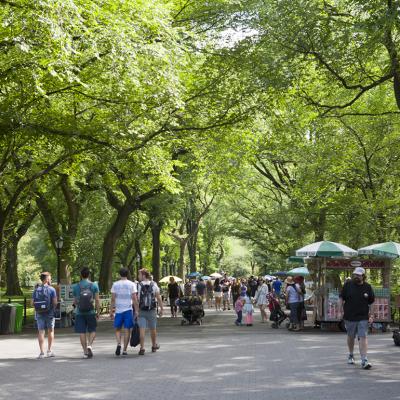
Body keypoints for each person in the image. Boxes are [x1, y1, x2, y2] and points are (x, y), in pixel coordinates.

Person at [339, 267, 375, 369]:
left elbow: (372, 302)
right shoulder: (347, 285)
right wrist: (339, 311)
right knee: (351, 336)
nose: (356, 276)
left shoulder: (368, 287)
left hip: (363, 316)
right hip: (349, 316)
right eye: (355, 274)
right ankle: (351, 354)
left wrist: (371, 315)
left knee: (363, 336)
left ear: (363, 276)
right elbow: (341, 298)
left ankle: (364, 360)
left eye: (358, 275)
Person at [72, 267, 100, 359]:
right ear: (89, 275)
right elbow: (97, 300)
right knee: (93, 330)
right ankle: (90, 345)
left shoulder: (76, 286)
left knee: (82, 332)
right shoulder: (94, 285)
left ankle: (85, 352)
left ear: (81, 275)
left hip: (80, 312)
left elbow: (75, 301)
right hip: (91, 312)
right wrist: (98, 312)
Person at [110, 267, 138, 356]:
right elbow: (134, 298)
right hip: (128, 309)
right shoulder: (132, 284)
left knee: (117, 329)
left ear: (119, 274)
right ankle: (125, 350)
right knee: (127, 330)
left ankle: (118, 343)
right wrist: (137, 310)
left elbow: (113, 299)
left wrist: (111, 311)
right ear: (127, 274)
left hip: (118, 310)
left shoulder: (115, 284)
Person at [137, 268, 164, 355]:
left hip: (141, 310)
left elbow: (136, 299)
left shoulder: (138, 285)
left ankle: (142, 348)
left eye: (139, 275)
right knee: (153, 329)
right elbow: (158, 297)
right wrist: (161, 308)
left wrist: (136, 310)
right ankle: (153, 346)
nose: (138, 276)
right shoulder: (154, 284)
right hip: (151, 310)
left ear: (144, 275)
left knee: (142, 329)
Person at [32, 272, 57, 359]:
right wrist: (53, 309)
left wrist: (39, 307)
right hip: (49, 313)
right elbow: (55, 302)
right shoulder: (52, 289)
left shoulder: (36, 290)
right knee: (50, 331)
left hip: (39, 313)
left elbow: (32, 303)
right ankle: (49, 351)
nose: (50, 279)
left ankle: (41, 353)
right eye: (50, 278)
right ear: (46, 279)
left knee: (41, 332)